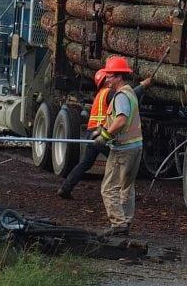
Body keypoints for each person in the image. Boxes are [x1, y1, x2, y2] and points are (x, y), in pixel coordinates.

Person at [57, 65, 151, 200]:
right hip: (102, 133)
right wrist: (143, 86)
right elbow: (128, 96)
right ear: (105, 81)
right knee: (120, 162)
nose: (109, 79)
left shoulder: (99, 95)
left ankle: (65, 188)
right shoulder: (110, 93)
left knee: (85, 163)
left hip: (92, 133)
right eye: (107, 77)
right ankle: (127, 194)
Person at [95, 55, 145, 236]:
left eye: (109, 76)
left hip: (122, 150)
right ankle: (126, 221)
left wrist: (106, 135)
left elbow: (122, 120)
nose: (106, 79)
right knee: (126, 187)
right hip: (135, 146)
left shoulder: (120, 96)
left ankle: (118, 225)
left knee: (109, 188)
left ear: (118, 77)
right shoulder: (130, 92)